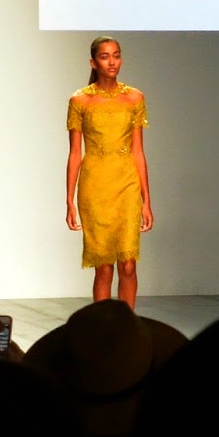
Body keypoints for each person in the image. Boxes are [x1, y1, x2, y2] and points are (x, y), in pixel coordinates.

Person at [65, 37, 152, 306]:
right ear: (93, 62)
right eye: (105, 56)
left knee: (128, 265)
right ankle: (102, 326)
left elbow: (138, 151)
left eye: (116, 55)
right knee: (103, 267)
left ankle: (128, 325)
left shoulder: (134, 98)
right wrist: (69, 200)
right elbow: (75, 153)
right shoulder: (80, 100)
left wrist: (146, 200)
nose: (112, 62)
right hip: (95, 186)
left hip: (127, 183)